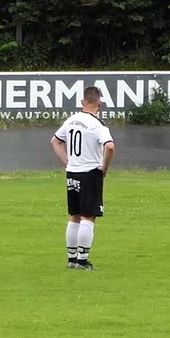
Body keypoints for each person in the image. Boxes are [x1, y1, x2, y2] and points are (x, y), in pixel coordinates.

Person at [51, 86, 115, 271]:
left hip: (72, 172)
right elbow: (110, 147)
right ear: (99, 104)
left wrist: (67, 161)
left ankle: (71, 258)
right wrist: (104, 166)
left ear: (82, 102)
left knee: (75, 215)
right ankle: (82, 260)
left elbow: (55, 141)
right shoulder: (97, 124)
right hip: (89, 172)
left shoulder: (71, 120)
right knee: (89, 216)